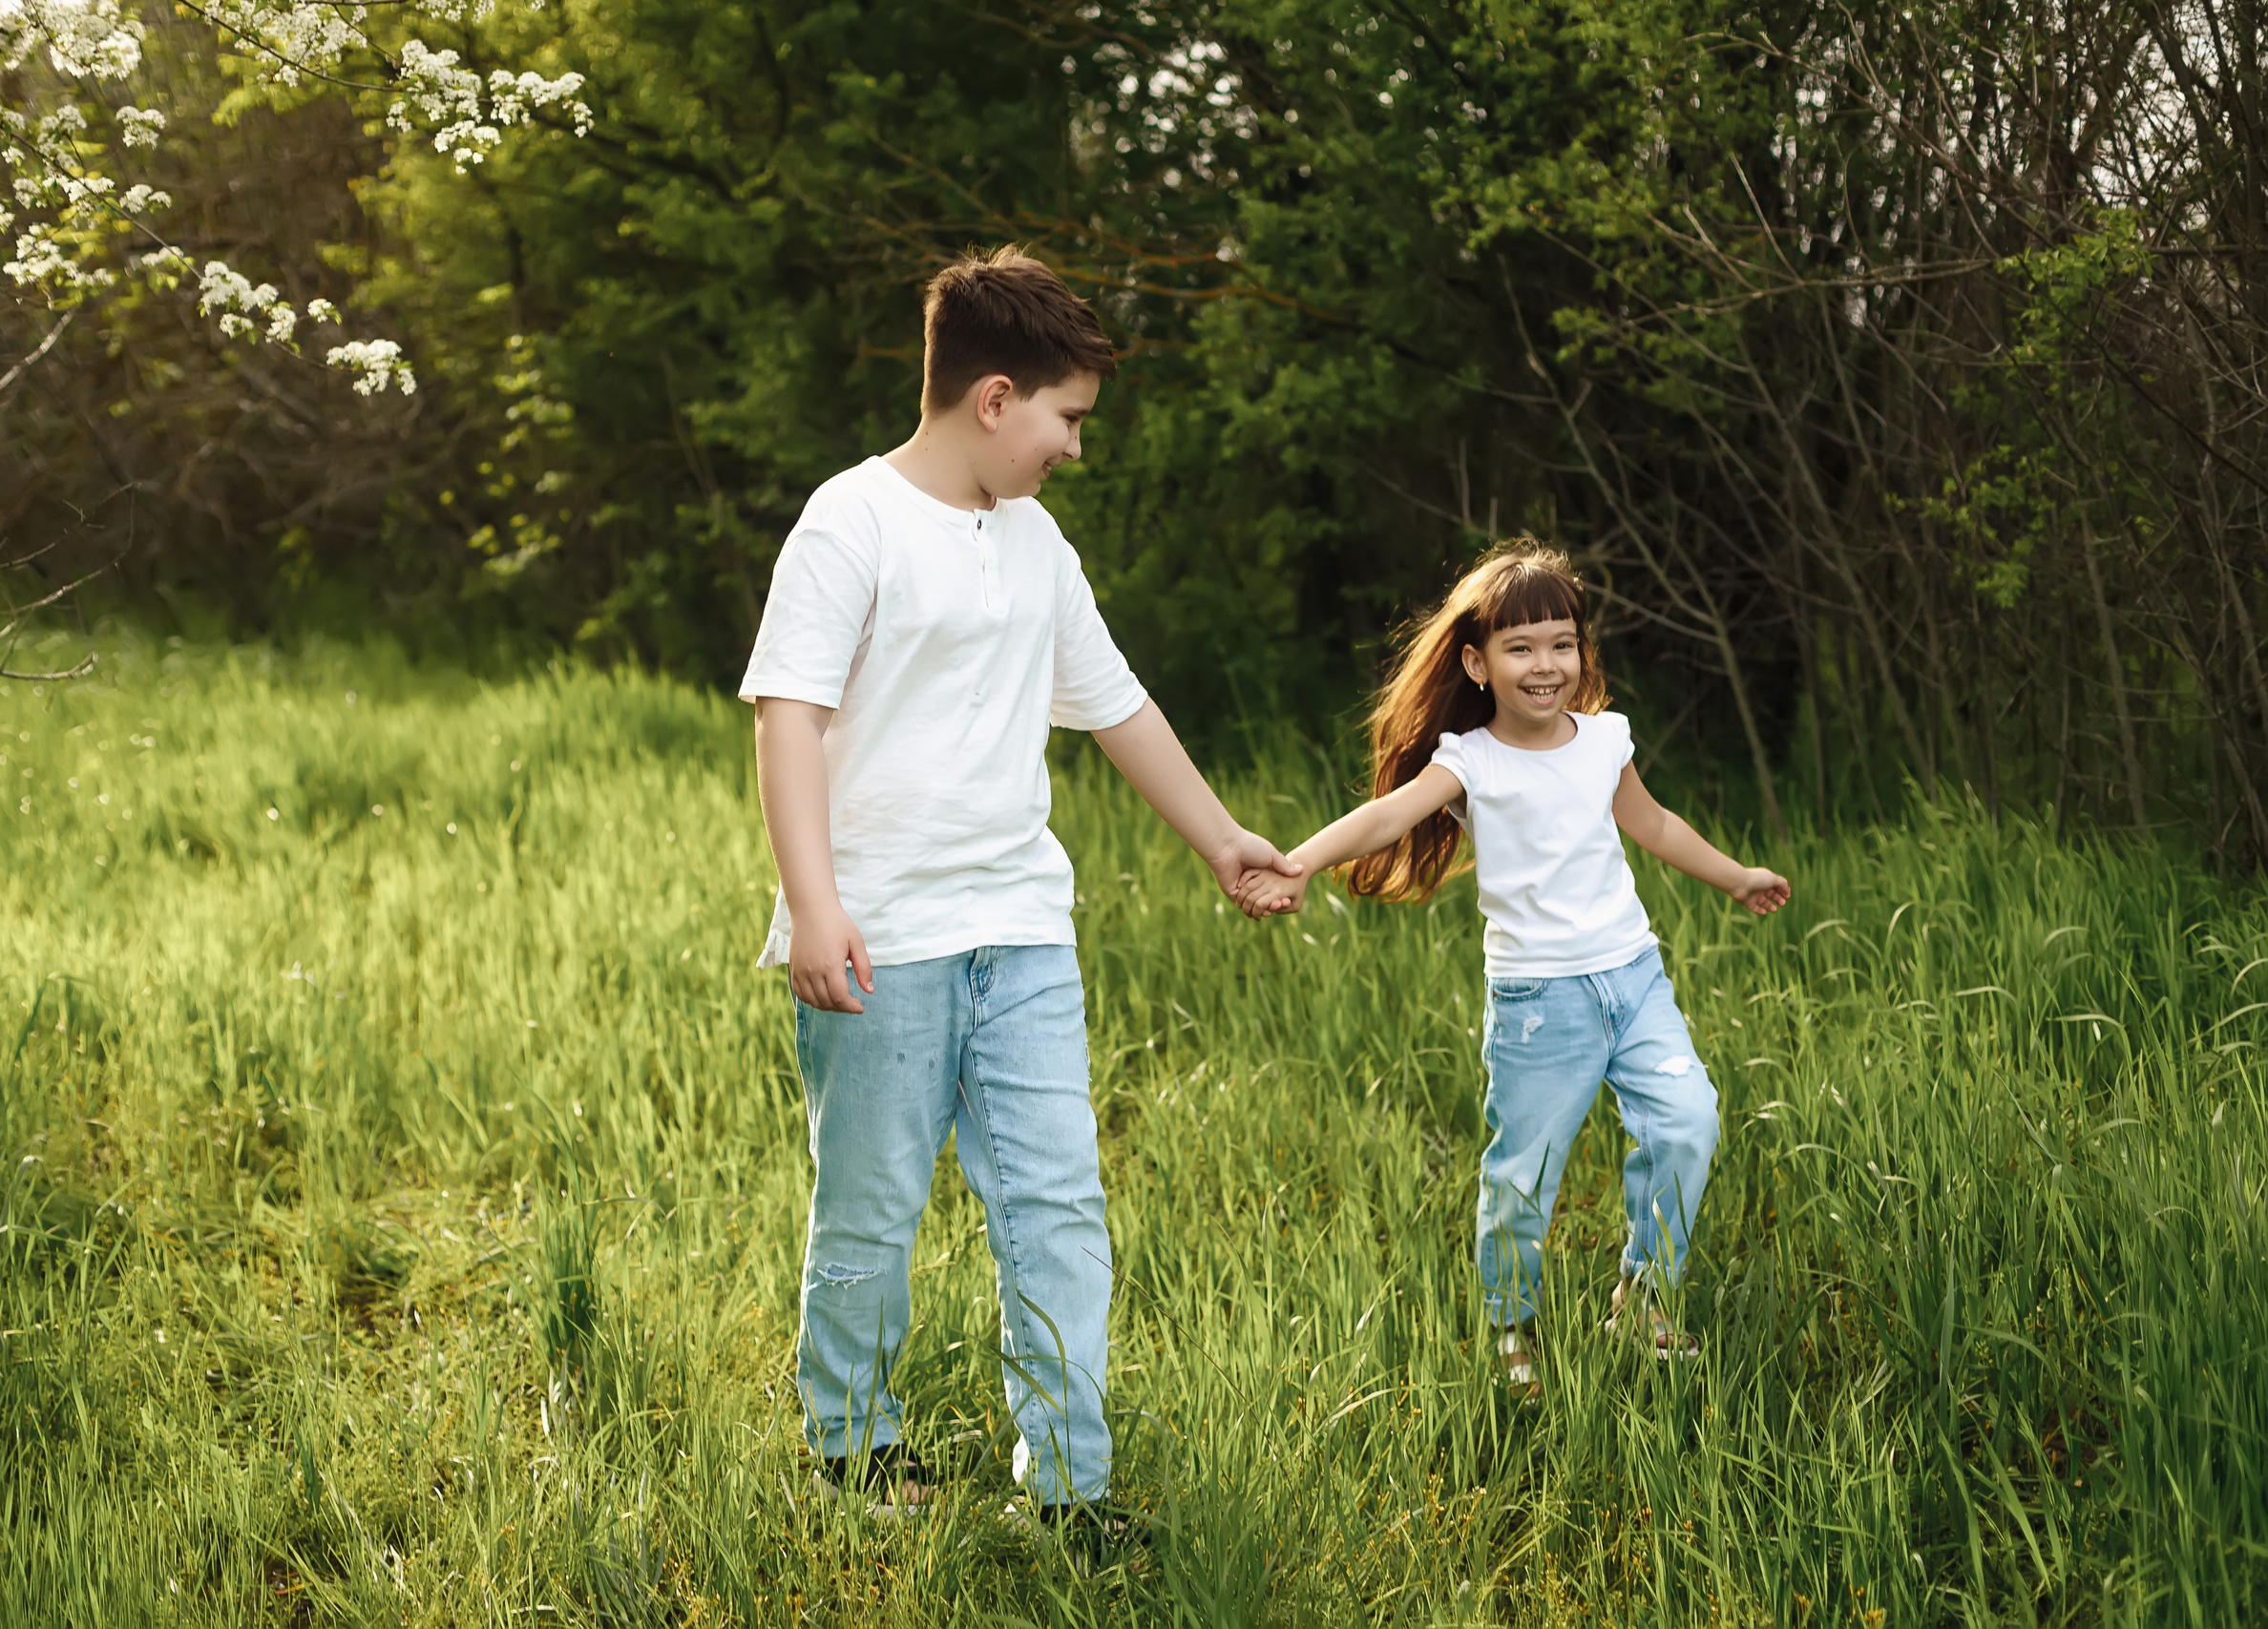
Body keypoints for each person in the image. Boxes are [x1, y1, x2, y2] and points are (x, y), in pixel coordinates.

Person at [741, 247, 1298, 1535]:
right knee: (870, 1204)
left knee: (1058, 1200)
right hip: (882, 937)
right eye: (1068, 417)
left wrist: (1222, 840)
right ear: (994, 398)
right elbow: (788, 716)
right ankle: (852, 1452)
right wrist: (813, 904)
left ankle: (1067, 1486)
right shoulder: (852, 522)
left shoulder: (1036, 543)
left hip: (1023, 931)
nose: (1075, 448)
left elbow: (1115, 703)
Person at [1236, 543, 1788, 1394]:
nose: (1546, 665)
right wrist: (1299, 862)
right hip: (1541, 1005)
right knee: (1525, 1176)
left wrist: (1736, 874)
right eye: (1521, 647)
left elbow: (1657, 824)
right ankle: (1511, 1324)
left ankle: (1643, 1299)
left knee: (1689, 1121)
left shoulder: (1605, 738)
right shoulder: (1472, 760)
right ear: (1478, 662)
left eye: (1562, 643)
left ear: (1582, 653)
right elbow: (1386, 815)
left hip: (1634, 979)